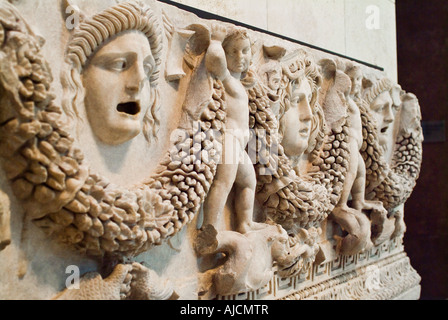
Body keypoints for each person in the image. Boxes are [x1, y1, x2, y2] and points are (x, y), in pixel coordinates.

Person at [201, 25, 265, 234]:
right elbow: (215, 60)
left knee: (248, 181)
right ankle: (209, 228)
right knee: (223, 182)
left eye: (245, 51)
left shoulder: (240, 83)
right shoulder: (228, 79)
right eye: (233, 52)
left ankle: (244, 223)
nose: (240, 57)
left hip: (239, 144)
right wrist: (217, 41)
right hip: (228, 140)